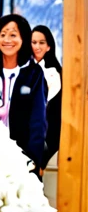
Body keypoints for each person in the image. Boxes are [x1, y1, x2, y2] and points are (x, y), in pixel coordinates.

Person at [0, 14, 47, 171]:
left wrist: (34, 157)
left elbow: (38, 119)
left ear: (23, 38)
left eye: (13, 35)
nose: (7, 40)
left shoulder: (33, 73)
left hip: (22, 155)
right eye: (2, 35)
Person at [31, 24, 62, 170]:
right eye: (33, 42)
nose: (37, 46)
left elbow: (46, 106)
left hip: (45, 136)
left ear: (49, 46)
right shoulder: (23, 69)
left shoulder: (53, 73)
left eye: (41, 43)